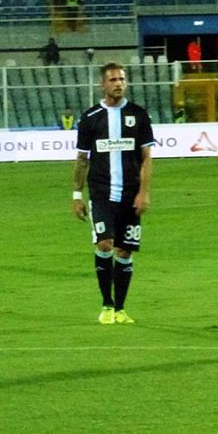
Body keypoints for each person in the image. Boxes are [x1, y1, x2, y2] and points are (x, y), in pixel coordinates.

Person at [72, 62, 154, 325]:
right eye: (113, 80)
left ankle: (120, 309)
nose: (118, 83)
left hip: (130, 194)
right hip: (101, 193)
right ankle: (106, 304)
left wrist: (144, 193)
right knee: (105, 243)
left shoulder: (138, 115)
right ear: (102, 84)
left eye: (121, 79)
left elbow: (146, 158)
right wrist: (76, 195)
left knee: (125, 252)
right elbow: (82, 159)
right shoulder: (90, 117)